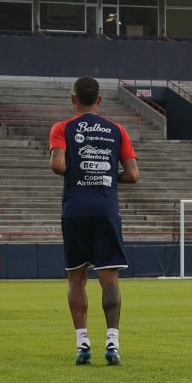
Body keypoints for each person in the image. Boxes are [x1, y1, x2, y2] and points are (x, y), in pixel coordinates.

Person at [49, 77, 140, 366]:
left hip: (75, 210)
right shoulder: (117, 130)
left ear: (73, 99)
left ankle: (82, 343)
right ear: (99, 100)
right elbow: (134, 175)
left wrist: (79, 173)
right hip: (105, 209)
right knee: (109, 280)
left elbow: (58, 166)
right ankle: (112, 343)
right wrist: (104, 175)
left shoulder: (62, 128)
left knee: (76, 277)